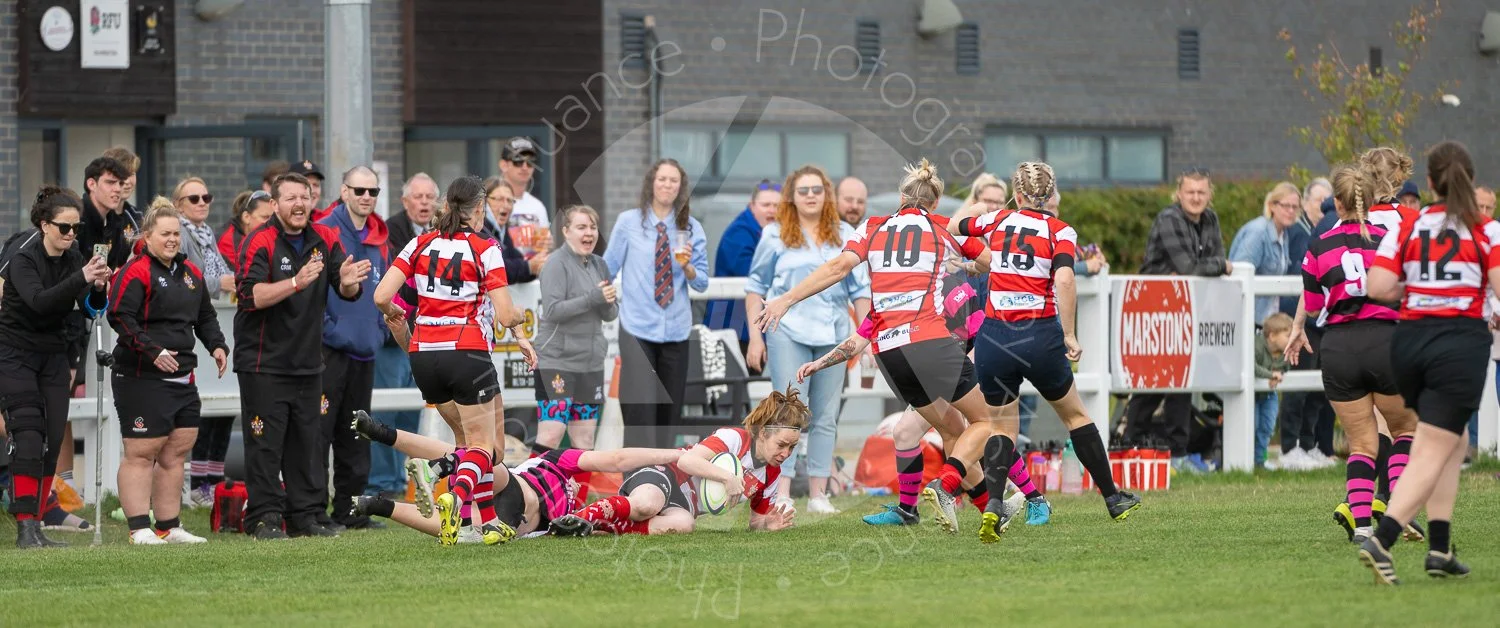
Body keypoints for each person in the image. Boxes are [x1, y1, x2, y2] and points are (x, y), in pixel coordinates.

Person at [757, 160, 996, 533]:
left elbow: (837, 268)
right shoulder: (942, 227)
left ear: (901, 198)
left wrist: (786, 299)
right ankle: (946, 486)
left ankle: (990, 514)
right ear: (933, 205)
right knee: (987, 421)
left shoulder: (873, 227)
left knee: (951, 428)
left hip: (889, 353)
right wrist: (971, 261)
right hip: (931, 342)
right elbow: (988, 262)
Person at [950, 160, 1142, 540]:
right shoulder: (1060, 230)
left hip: (994, 337)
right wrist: (1069, 334)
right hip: (1037, 334)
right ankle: (1112, 498)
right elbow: (1066, 277)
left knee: (1002, 425)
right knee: (1074, 416)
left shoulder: (998, 221)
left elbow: (957, 226)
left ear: (1016, 193)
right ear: (1051, 195)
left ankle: (992, 506)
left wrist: (986, 208)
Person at [373, 175, 536, 546]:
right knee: (488, 449)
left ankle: (474, 524)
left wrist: (396, 317)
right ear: (479, 209)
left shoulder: (419, 242)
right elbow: (506, 312)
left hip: (424, 357)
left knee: (465, 442)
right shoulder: (486, 247)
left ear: (446, 206)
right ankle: (441, 481)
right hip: (467, 353)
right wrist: (520, 334)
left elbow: (383, 296)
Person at [1359, 141, 1490, 584]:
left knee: (1453, 440)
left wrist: (1416, 293)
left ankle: (1438, 549)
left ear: (1429, 183)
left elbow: (1377, 286)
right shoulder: (1485, 229)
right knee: (1434, 445)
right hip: (1457, 342)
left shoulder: (1407, 225)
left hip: (1409, 343)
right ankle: (1383, 539)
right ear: (1469, 181)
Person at [1287, 163, 1419, 545]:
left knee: (1361, 444)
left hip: (1340, 348)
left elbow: (1312, 306)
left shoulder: (1319, 242)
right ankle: (1397, 512)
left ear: (1337, 203)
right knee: (1405, 430)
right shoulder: (1389, 237)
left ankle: (1362, 528)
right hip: (1385, 340)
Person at [234, 172, 370, 540]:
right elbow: (249, 296)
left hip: (309, 362)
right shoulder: (259, 241)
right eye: (291, 198)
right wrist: (296, 282)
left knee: (307, 444)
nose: (299, 204)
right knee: (265, 446)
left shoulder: (324, 237)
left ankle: (306, 515)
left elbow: (346, 288)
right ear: (274, 204)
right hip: (264, 363)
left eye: (305, 197)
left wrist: (349, 278)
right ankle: (263, 517)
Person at [744, 165, 871, 513]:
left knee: (825, 414)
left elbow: (860, 289)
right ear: (792, 197)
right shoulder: (774, 234)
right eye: (803, 190)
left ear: (827, 194)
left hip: (832, 334)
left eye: (817, 189)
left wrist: (866, 337)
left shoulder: (845, 232)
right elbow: (755, 288)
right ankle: (780, 490)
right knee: (786, 413)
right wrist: (755, 338)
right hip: (787, 333)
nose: (811, 196)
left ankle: (818, 493)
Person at [348, 415, 684, 542]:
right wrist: (669, 455)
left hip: (511, 509)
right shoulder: (558, 461)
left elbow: (616, 466)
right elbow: (617, 459)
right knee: (481, 460)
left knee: (470, 469)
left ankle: (396, 486)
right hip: (515, 500)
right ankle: (389, 488)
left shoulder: (577, 511)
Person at [107, 198, 229, 545]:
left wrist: (217, 346)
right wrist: (152, 350)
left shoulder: (191, 273)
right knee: (142, 452)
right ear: (147, 236)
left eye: (176, 233)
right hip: (141, 376)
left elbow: (205, 317)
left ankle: (168, 525)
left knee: (177, 450)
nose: (172, 239)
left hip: (182, 377)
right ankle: (137, 527)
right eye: (165, 234)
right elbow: (119, 317)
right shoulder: (137, 271)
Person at [0, 186, 109, 548]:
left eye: (76, 228)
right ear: (44, 225)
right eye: (65, 228)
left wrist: (98, 287)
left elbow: (90, 308)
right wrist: (82, 277)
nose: (72, 235)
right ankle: (25, 528)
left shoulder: (75, 255)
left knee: (52, 438)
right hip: (15, 352)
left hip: (53, 354)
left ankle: (39, 526)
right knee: (28, 435)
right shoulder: (23, 258)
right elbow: (40, 303)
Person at [549, 387, 806, 536]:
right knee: (646, 505)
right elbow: (687, 462)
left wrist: (767, 524)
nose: (786, 453)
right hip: (665, 474)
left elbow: (755, 522)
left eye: (792, 447)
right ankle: (575, 519)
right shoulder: (735, 439)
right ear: (763, 433)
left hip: (685, 505)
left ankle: (605, 528)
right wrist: (727, 477)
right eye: (781, 444)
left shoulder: (771, 474)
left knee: (684, 525)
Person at [1126, 170, 1230, 468]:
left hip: (1187, 310)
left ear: (1209, 194)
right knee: (1153, 382)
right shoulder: (1169, 218)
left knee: (1182, 380)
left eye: (1201, 192)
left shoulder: (1210, 219)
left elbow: (1196, 266)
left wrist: (1208, 265)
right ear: (1179, 193)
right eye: (1190, 192)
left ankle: (1178, 453)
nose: (1196, 198)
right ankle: (1128, 447)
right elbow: (1188, 267)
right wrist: (1221, 265)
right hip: (1153, 310)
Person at [604, 159, 709, 449]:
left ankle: (662, 479)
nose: (667, 185)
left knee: (669, 412)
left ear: (681, 187)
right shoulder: (628, 222)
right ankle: (636, 479)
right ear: (652, 182)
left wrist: (687, 267)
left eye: (673, 181)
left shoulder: (692, 228)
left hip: (675, 329)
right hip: (637, 328)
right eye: (662, 179)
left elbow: (702, 282)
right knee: (639, 409)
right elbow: (607, 269)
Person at [315, 166, 391, 530]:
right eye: (359, 190)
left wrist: (378, 331)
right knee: (319, 431)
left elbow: (383, 289)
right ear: (343, 191)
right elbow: (315, 291)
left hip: (365, 350)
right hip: (329, 351)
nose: (366, 197)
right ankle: (313, 511)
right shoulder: (325, 230)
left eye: (373, 191)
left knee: (358, 433)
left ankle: (349, 509)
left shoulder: (379, 236)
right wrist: (330, 331)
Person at [365, 173, 437, 498]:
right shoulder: (391, 231)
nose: (424, 203)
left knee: (412, 407)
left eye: (429, 197)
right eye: (417, 197)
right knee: (387, 408)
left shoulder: (439, 232)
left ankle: (407, 480)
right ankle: (383, 482)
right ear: (405, 201)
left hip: (423, 334)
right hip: (392, 331)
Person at [533, 205, 616, 453]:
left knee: (585, 441)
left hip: (590, 363)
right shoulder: (556, 264)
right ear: (566, 231)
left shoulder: (600, 265)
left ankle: (574, 494)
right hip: (556, 361)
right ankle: (534, 491)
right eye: (581, 227)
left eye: (592, 227)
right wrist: (594, 298)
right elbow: (553, 310)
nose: (588, 233)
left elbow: (610, 313)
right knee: (551, 435)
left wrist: (607, 302)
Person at [705, 180, 781, 353]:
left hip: (750, 325)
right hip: (731, 326)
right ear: (752, 206)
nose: (772, 210)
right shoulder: (738, 234)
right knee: (735, 378)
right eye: (766, 205)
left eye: (777, 205)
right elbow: (754, 274)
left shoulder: (771, 232)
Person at [1229, 182, 1300, 323]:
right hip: (1246, 320)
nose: (1291, 211)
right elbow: (1239, 276)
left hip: (1266, 320)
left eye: (1295, 207)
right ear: (1272, 206)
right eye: (1286, 206)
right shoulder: (1258, 232)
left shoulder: (1284, 234)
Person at [173, 178, 235, 297]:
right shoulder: (177, 232)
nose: (202, 203)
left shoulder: (207, 232)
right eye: (194, 199)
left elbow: (223, 268)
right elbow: (180, 278)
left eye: (206, 198)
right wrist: (218, 284)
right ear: (178, 206)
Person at [481, 176, 547, 284]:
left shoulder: (502, 231)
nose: (506, 205)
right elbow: (494, 269)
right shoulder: (479, 230)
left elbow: (517, 262)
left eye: (510, 201)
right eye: (499, 199)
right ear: (484, 201)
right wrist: (529, 266)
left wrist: (538, 264)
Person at [498, 137, 553, 258]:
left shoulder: (538, 206)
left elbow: (543, 250)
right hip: (501, 273)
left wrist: (546, 245)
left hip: (533, 275)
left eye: (530, 162)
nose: (525, 167)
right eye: (518, 161)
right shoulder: (491, 201)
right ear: (503, 165)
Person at [1253, 314, 1292, 469]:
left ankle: (1259, 461)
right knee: (1253, 426)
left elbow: (1284, 370)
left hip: (1269, 395)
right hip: (1252, 397)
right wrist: (1270, 375)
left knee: (1267, 426)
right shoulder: (1256, 346)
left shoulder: (1285, 352)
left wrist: (1279, 374)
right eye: (1287, 335)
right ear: (1273, 335)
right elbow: (1252, 366)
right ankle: (1246, 460)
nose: (1291, 339)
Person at [217, 190, 276, 276]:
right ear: (246, 217)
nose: (271, 223)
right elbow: (240, 277)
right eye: (265, 217)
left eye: (273, 217)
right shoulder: (228, 240)